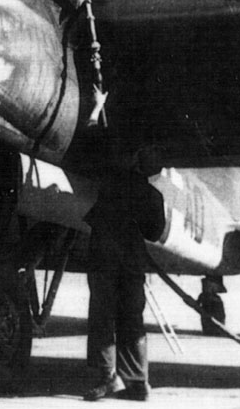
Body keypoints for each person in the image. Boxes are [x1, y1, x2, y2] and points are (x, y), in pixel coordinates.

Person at [83, 157, 166, 402]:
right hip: (132, 261)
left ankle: (107, 376)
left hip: (105, 257)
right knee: (131, 318)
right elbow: (154, 233)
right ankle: (137, 382)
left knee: (102, 316)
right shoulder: (153, 195)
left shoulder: (111, 182)